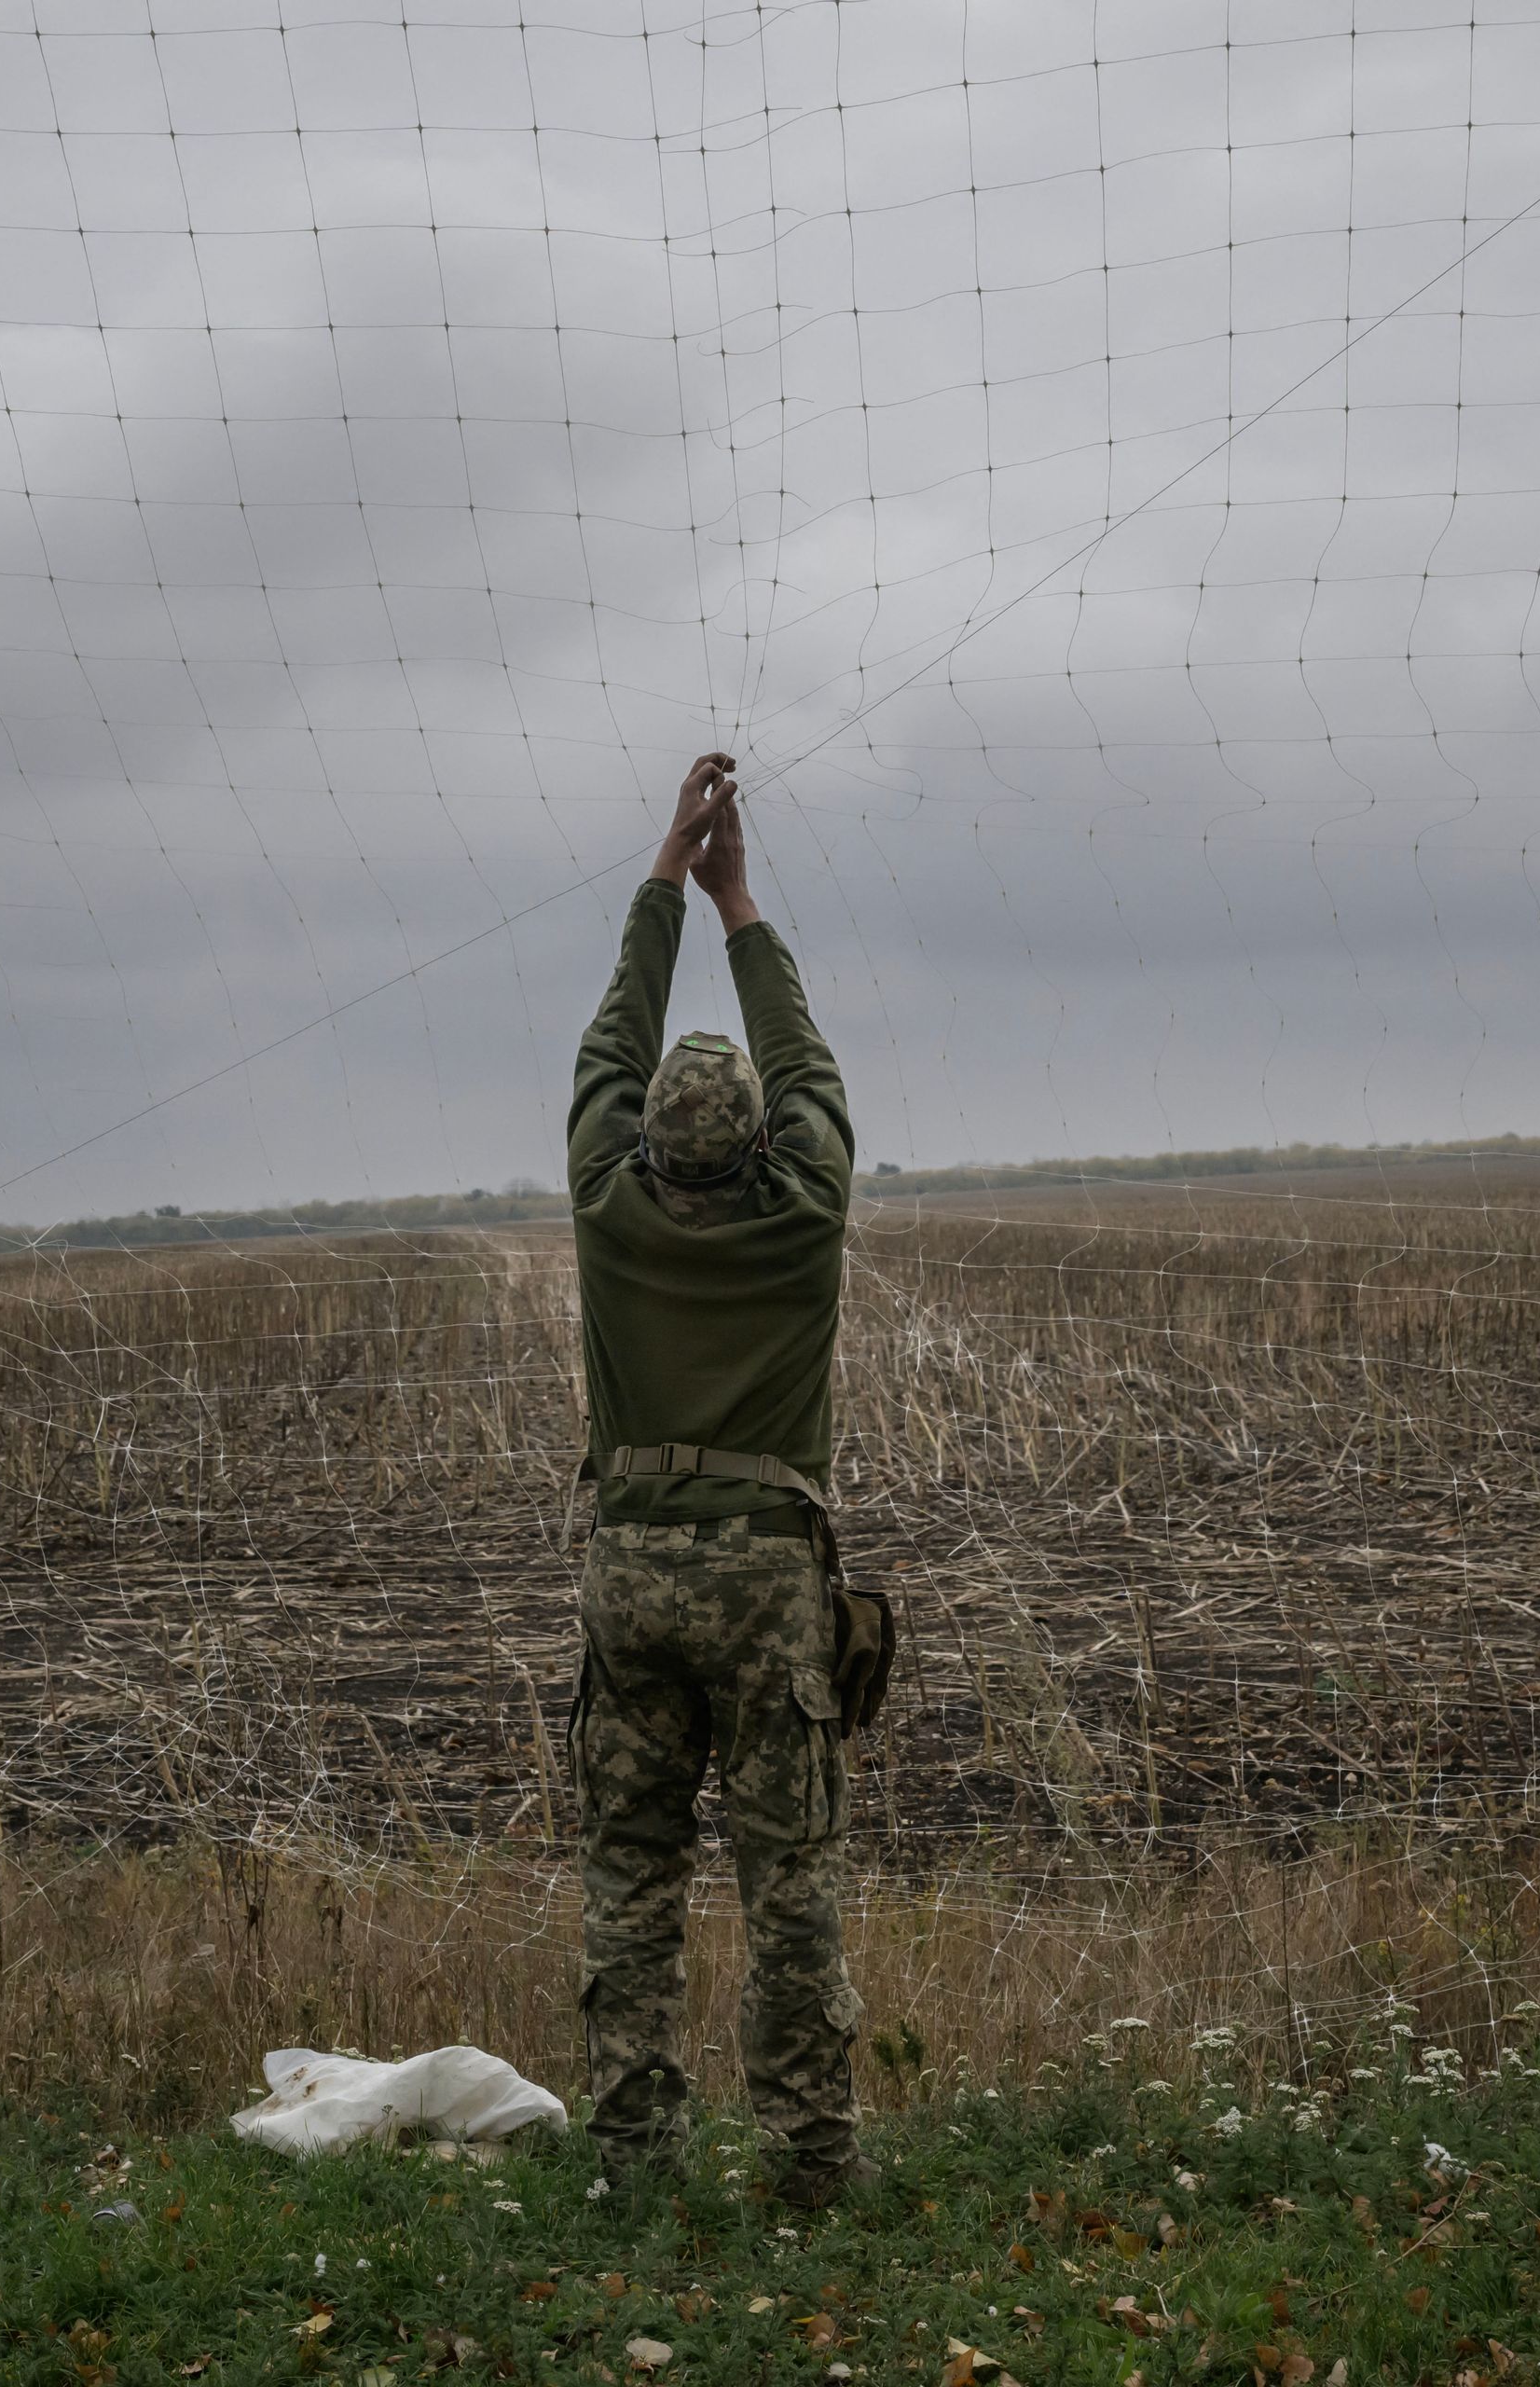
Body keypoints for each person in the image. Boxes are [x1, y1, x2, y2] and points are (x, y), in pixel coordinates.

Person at [564, 750, 873, 2211]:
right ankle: (809, 2167)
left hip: (630, 1576)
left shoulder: (604, 1205)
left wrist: (665, 879)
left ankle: (634, 2165)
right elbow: (809, 1068)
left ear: (640, 1143)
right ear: (758, 1146)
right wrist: (742, 899)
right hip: (765, 1580)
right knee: (787, 1883)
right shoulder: (802, 1208)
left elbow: (604, 1050)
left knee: (631, 1879)